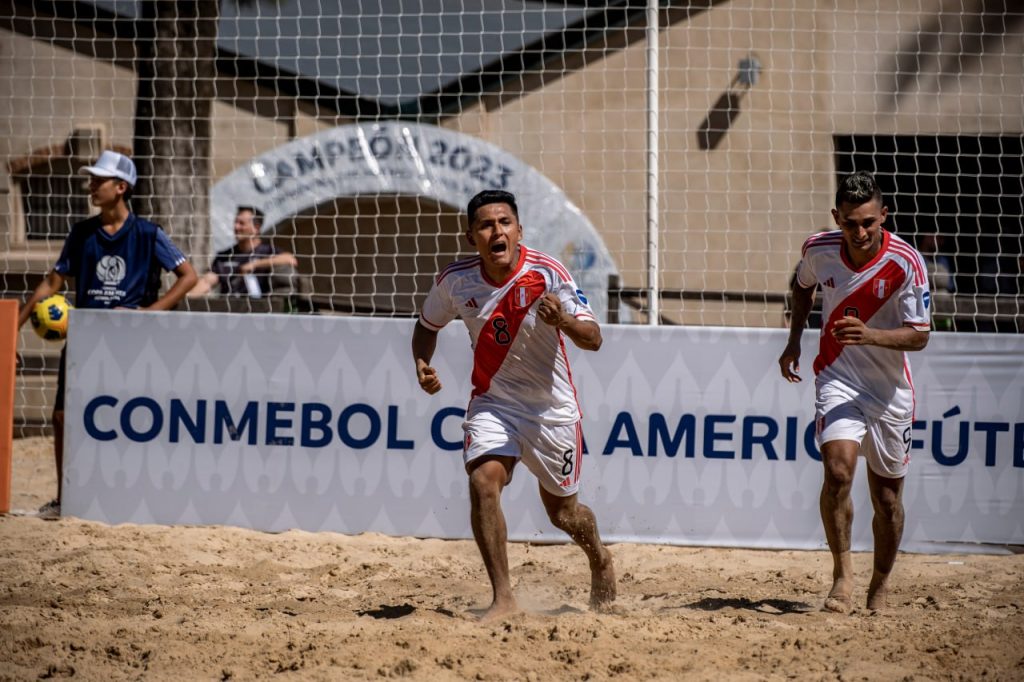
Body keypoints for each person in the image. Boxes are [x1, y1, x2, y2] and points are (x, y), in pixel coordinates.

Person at [411, 189, 616, 620]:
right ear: (471, 237)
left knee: (564, 514)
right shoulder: (455, 280)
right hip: (494, 403)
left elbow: (594, 339)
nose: (497, 231)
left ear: (519, 230)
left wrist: (562, 320)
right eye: (486, 225)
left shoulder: (547, 272)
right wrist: (422, 362)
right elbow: (426, 325)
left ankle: (599, 556)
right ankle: (503, 599)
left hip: (550, 412)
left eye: (505, 222)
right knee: (483, 481)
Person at [778, 171, 930, 613]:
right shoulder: (818, 250)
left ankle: (879, 584)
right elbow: (801, 288)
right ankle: (842, 577)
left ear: (884, 215)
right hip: (837, 376)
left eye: (868, 222)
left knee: (887, 499)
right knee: (839, 472)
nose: (859, 232)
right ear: (836, 218)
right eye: (849, 223)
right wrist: (793, 341)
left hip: (890, 389)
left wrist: (871, 336)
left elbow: (920, 335)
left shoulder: (907, 262)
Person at [17, 149, 198, 517]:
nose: (91, 185)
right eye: (92, 179)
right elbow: (51, 283)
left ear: (121, 187)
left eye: (98, 180)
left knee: (134, 418)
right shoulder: (82, 233)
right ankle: (65, 497)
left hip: (133, 342)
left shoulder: (149, 233)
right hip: (85, 339)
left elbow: (189, 276)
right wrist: (11, 329)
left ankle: (139, 497)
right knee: (63, 417)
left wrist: (150, 313)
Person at [188, 206, 298, 298]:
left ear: (256, 228)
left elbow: (290, 259)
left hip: (261, 310)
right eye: (235, 222)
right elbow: (207, 281)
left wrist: (255, 264)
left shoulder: (267, 251)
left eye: (241, 223)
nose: (236, 227)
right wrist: (186, 299)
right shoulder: (224, 256)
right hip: (229, 310)